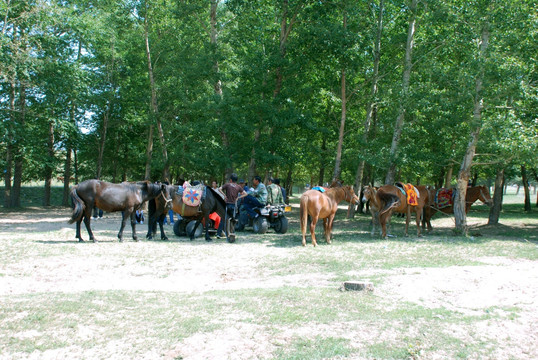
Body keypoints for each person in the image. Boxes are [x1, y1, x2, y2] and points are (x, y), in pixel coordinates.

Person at [216, 173, 247, 238]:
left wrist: (224, 195)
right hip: (233, 205)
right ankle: (231, 233)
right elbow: (245, 194)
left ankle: (219, 233)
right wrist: (238, 197)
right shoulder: (238, 186)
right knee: (232, 219)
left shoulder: (227, 185)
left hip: (227, 204)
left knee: (224, 218)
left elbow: (219, 189)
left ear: (230, 180)